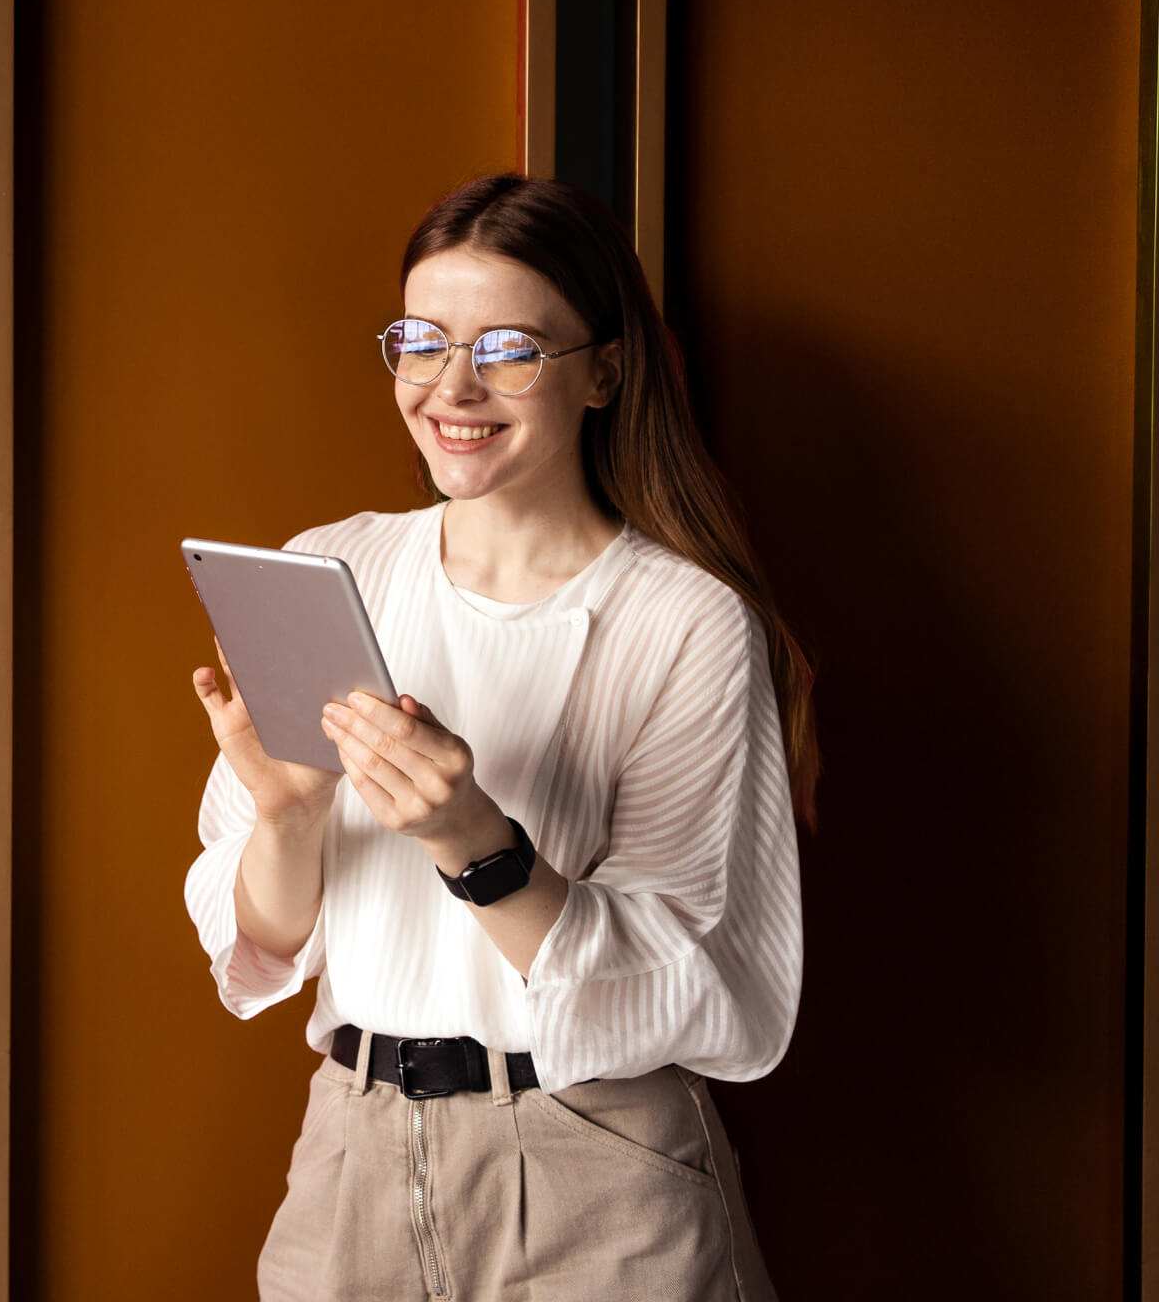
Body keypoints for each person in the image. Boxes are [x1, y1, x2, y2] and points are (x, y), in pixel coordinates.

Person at [185, 173, 817, 1302]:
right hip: (351, 1154)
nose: (452, 386)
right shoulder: (338, 566)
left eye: (510, 348)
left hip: (595, 1158)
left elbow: (696, 977)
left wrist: (477, 841)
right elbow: (259, 944)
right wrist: (284, 820)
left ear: (605, 373)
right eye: (420, 342)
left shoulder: (683, 621)